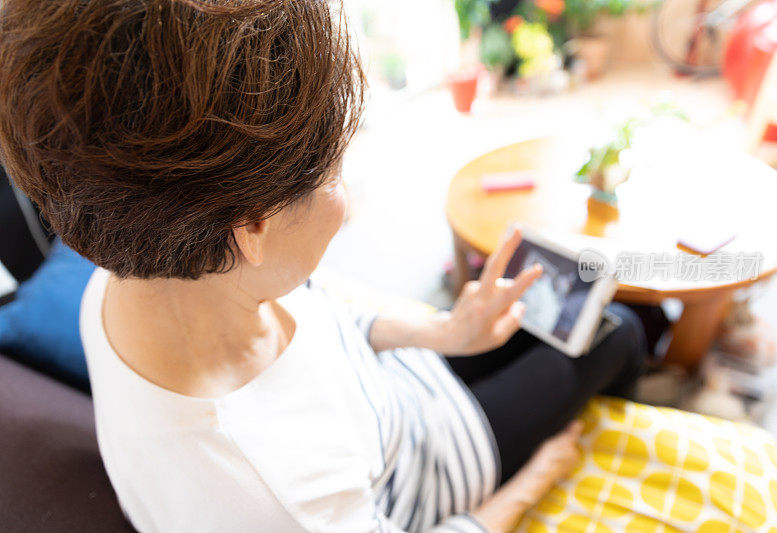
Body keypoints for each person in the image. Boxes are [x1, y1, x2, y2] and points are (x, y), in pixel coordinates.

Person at [0, 1, 646, 531]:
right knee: (618, 327)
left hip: (393, 397)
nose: (350, 201)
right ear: (252, 225)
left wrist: (441, 333)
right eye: (336, 170)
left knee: (555, 319)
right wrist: (535, 476)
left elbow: (322, 311)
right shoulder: (277, 492)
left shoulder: (137, 276)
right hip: (431, 471)